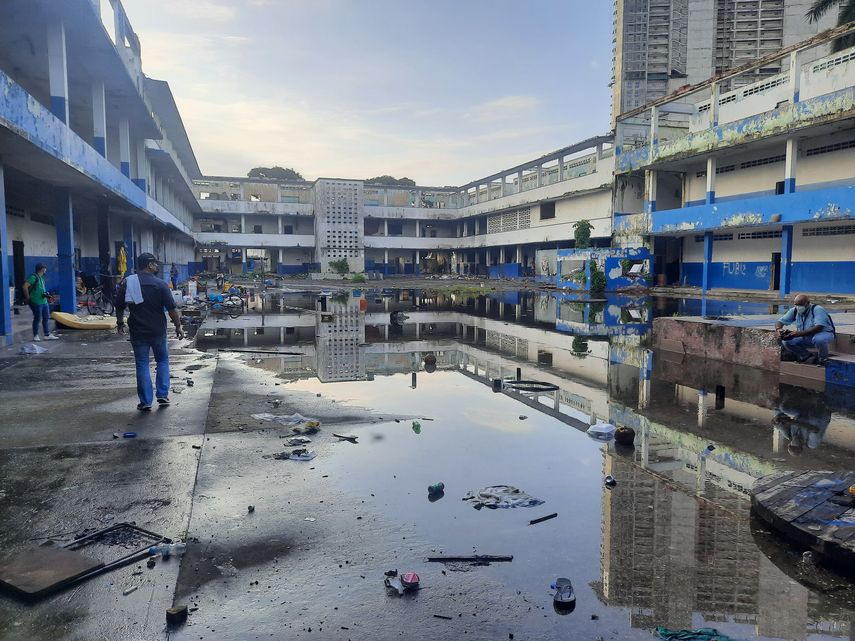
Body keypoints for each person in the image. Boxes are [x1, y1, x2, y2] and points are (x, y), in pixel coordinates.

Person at [115, 253, 185, 411]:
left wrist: (120, 323)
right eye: (155, 263)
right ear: (149, 265)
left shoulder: (128, 282)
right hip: (158, 330)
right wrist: (178, 326)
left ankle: (146, 401)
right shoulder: (160, 284)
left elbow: (119, 305)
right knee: (162, 361)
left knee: (142, 364)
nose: (157, 266)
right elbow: (171, 308)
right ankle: (162, 395)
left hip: (138, 330)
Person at [775, 294, 835, 365]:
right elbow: (780, 322)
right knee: (787, 341)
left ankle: (823, 359)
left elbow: (819, 327)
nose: (798, 307)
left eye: (801, 305)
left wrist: (798, 334)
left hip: (824, 334)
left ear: (808, 303)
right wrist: (779, 329)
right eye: (796, 305)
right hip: (807, 336)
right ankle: (807, 356)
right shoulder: (795, 310)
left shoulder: (817, 309)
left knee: (819, 339)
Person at [21, 263, 59, 341]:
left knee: (46, 317)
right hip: (36, 302)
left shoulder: (41, 278)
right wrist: (28, 298)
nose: (46, 270)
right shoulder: (33, 277)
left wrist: (47, 296)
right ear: (42, 269)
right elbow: (25, 286)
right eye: (45, 268)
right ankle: (36, 335)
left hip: (44, 301)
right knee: (37, 318)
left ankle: (47, 334)